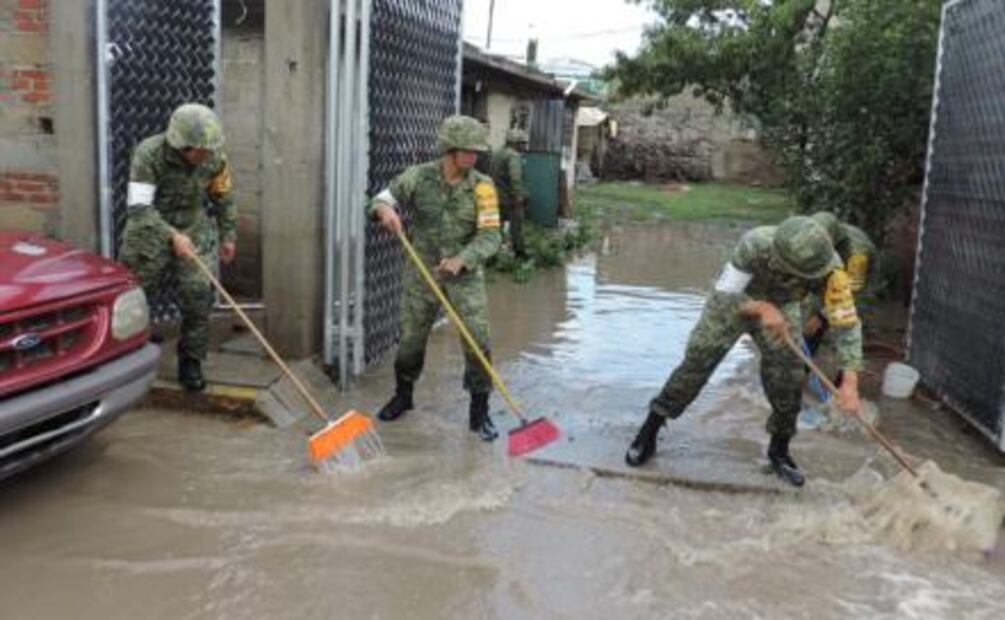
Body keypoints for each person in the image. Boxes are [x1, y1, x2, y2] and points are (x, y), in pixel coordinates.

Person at [624, 216, 864, 486]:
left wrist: (850, 383)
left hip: (783, 307)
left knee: (788, 377)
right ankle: (651, 428)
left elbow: (847, 324)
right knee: (698, 360)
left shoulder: (831, 271)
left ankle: (779, 450)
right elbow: (727, 293)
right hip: (736, 302)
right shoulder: (755, 243)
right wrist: (762, 308)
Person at [369, 115, 503, 441]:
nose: (475, 157)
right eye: (468, 151)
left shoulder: (483, 186)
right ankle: (403, 395)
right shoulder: (417, 177)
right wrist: (383, 210)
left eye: (477, 152)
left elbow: (491, 237)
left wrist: (462, 260)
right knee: (411, 339)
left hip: (464, 277)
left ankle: (479, 410)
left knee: (478, 339)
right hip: (422, 272)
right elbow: (382, 198)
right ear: (450, 150)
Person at [118, 103, 237, 392]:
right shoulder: (149, 154)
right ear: (181, 145)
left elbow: (223, 195)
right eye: (200, 151)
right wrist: (171, 235)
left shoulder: (214, 156)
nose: (206, 156)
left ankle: (191, 360)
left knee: (198, 296)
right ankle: (125, 357)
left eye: (209, 149)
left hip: (194, 227)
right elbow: (139, 207)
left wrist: (227, 234)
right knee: (133, 298)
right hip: (149, 230)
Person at [804, 211, 878, 359]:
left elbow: (852, 292)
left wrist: (821, 317)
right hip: (834, 270)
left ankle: (845, 376)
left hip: (854, 282)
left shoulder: (857, 253)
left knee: (845, 326)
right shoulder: (826, 233)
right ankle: (805, 360)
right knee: (810, 322)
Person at [488, 128, 530, 257]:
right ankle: (520, 252)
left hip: (495, 196)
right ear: (515, 143)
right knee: (516, 227)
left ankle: (493, 254)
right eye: (523, 143)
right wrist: (518, 196)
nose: (525, 146)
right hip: (509, 198)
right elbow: (515, 178)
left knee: (496, 227)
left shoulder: (497, 153)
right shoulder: (513, 155)